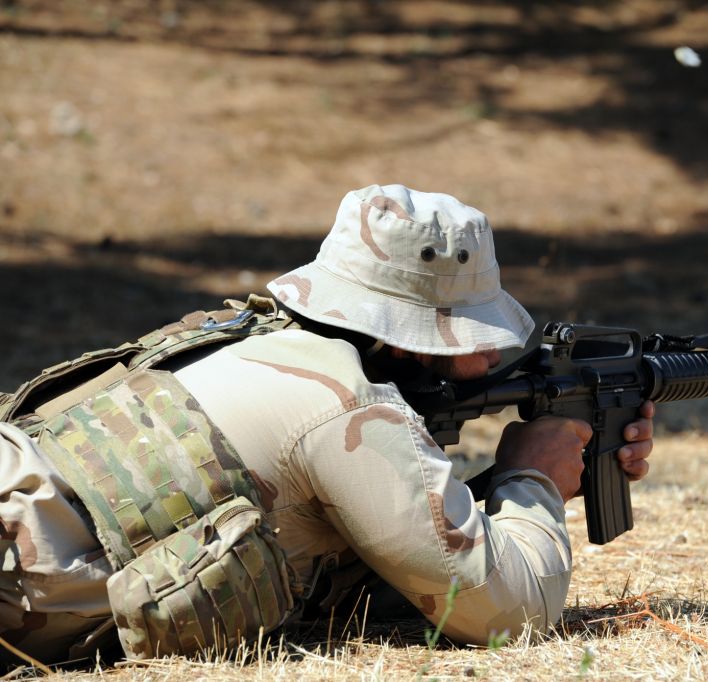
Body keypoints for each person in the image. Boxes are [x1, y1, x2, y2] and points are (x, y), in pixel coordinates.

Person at [0, 184, 654, 666]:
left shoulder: (256, 340)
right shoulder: (346, 405)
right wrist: (533, 477)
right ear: (407, 341)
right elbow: (508, 612)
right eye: (473, 333)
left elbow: (374, 568)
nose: (492, 356)